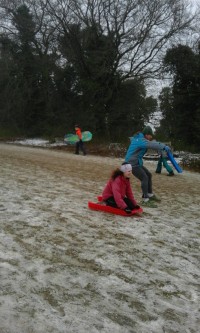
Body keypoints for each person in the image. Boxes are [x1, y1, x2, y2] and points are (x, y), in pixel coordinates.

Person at [124, 126, 171, 207]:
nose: (151, 137)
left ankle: (149, 194)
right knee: (144, 177)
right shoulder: (140, 140)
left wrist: (159, 147)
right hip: (131, 163)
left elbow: (151, 145)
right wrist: (163, 146)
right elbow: (151, 144)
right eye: (150, 135)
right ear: (146, 134)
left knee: (148, 175)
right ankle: (145, 199)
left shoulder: (140, 139)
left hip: (136, 162)